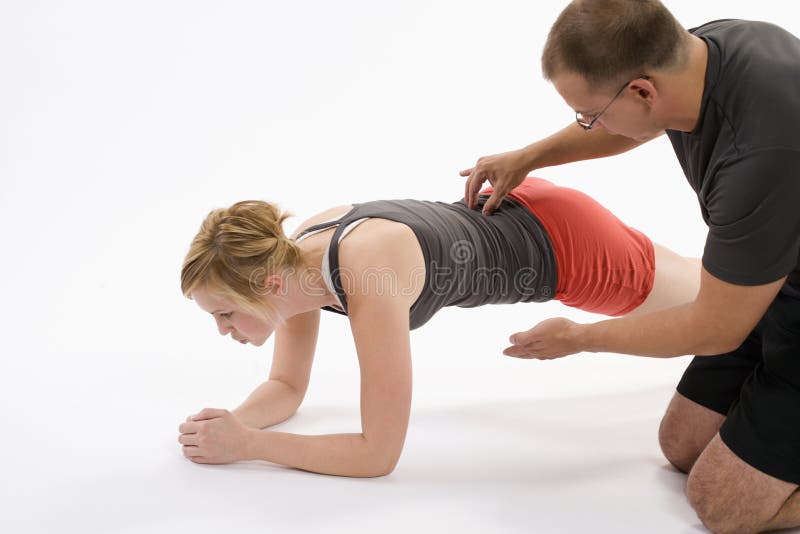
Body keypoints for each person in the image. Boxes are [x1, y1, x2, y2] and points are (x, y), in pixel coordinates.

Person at [460, 1, 800, 532]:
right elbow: (630, 126)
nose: (589, 124)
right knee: (682, 446)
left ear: (643, 90)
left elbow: (716, 328)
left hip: (779, 299)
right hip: (771, 279)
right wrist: (529, 156)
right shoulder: (702, 52)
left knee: (723, 507)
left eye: (588, 114)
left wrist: (582, 337)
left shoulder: (762, 151)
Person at [177, 176, 700, 479]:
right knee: (719, 279)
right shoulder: (296, 264)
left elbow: (377, 454)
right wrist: (232, 425)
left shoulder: (363, 271)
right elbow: (286, 388)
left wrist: (251, 447)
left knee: (732, 313)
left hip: (568, 253)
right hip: (525, 207)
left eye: (225, 313)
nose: (224, 329)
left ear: (266, 284)